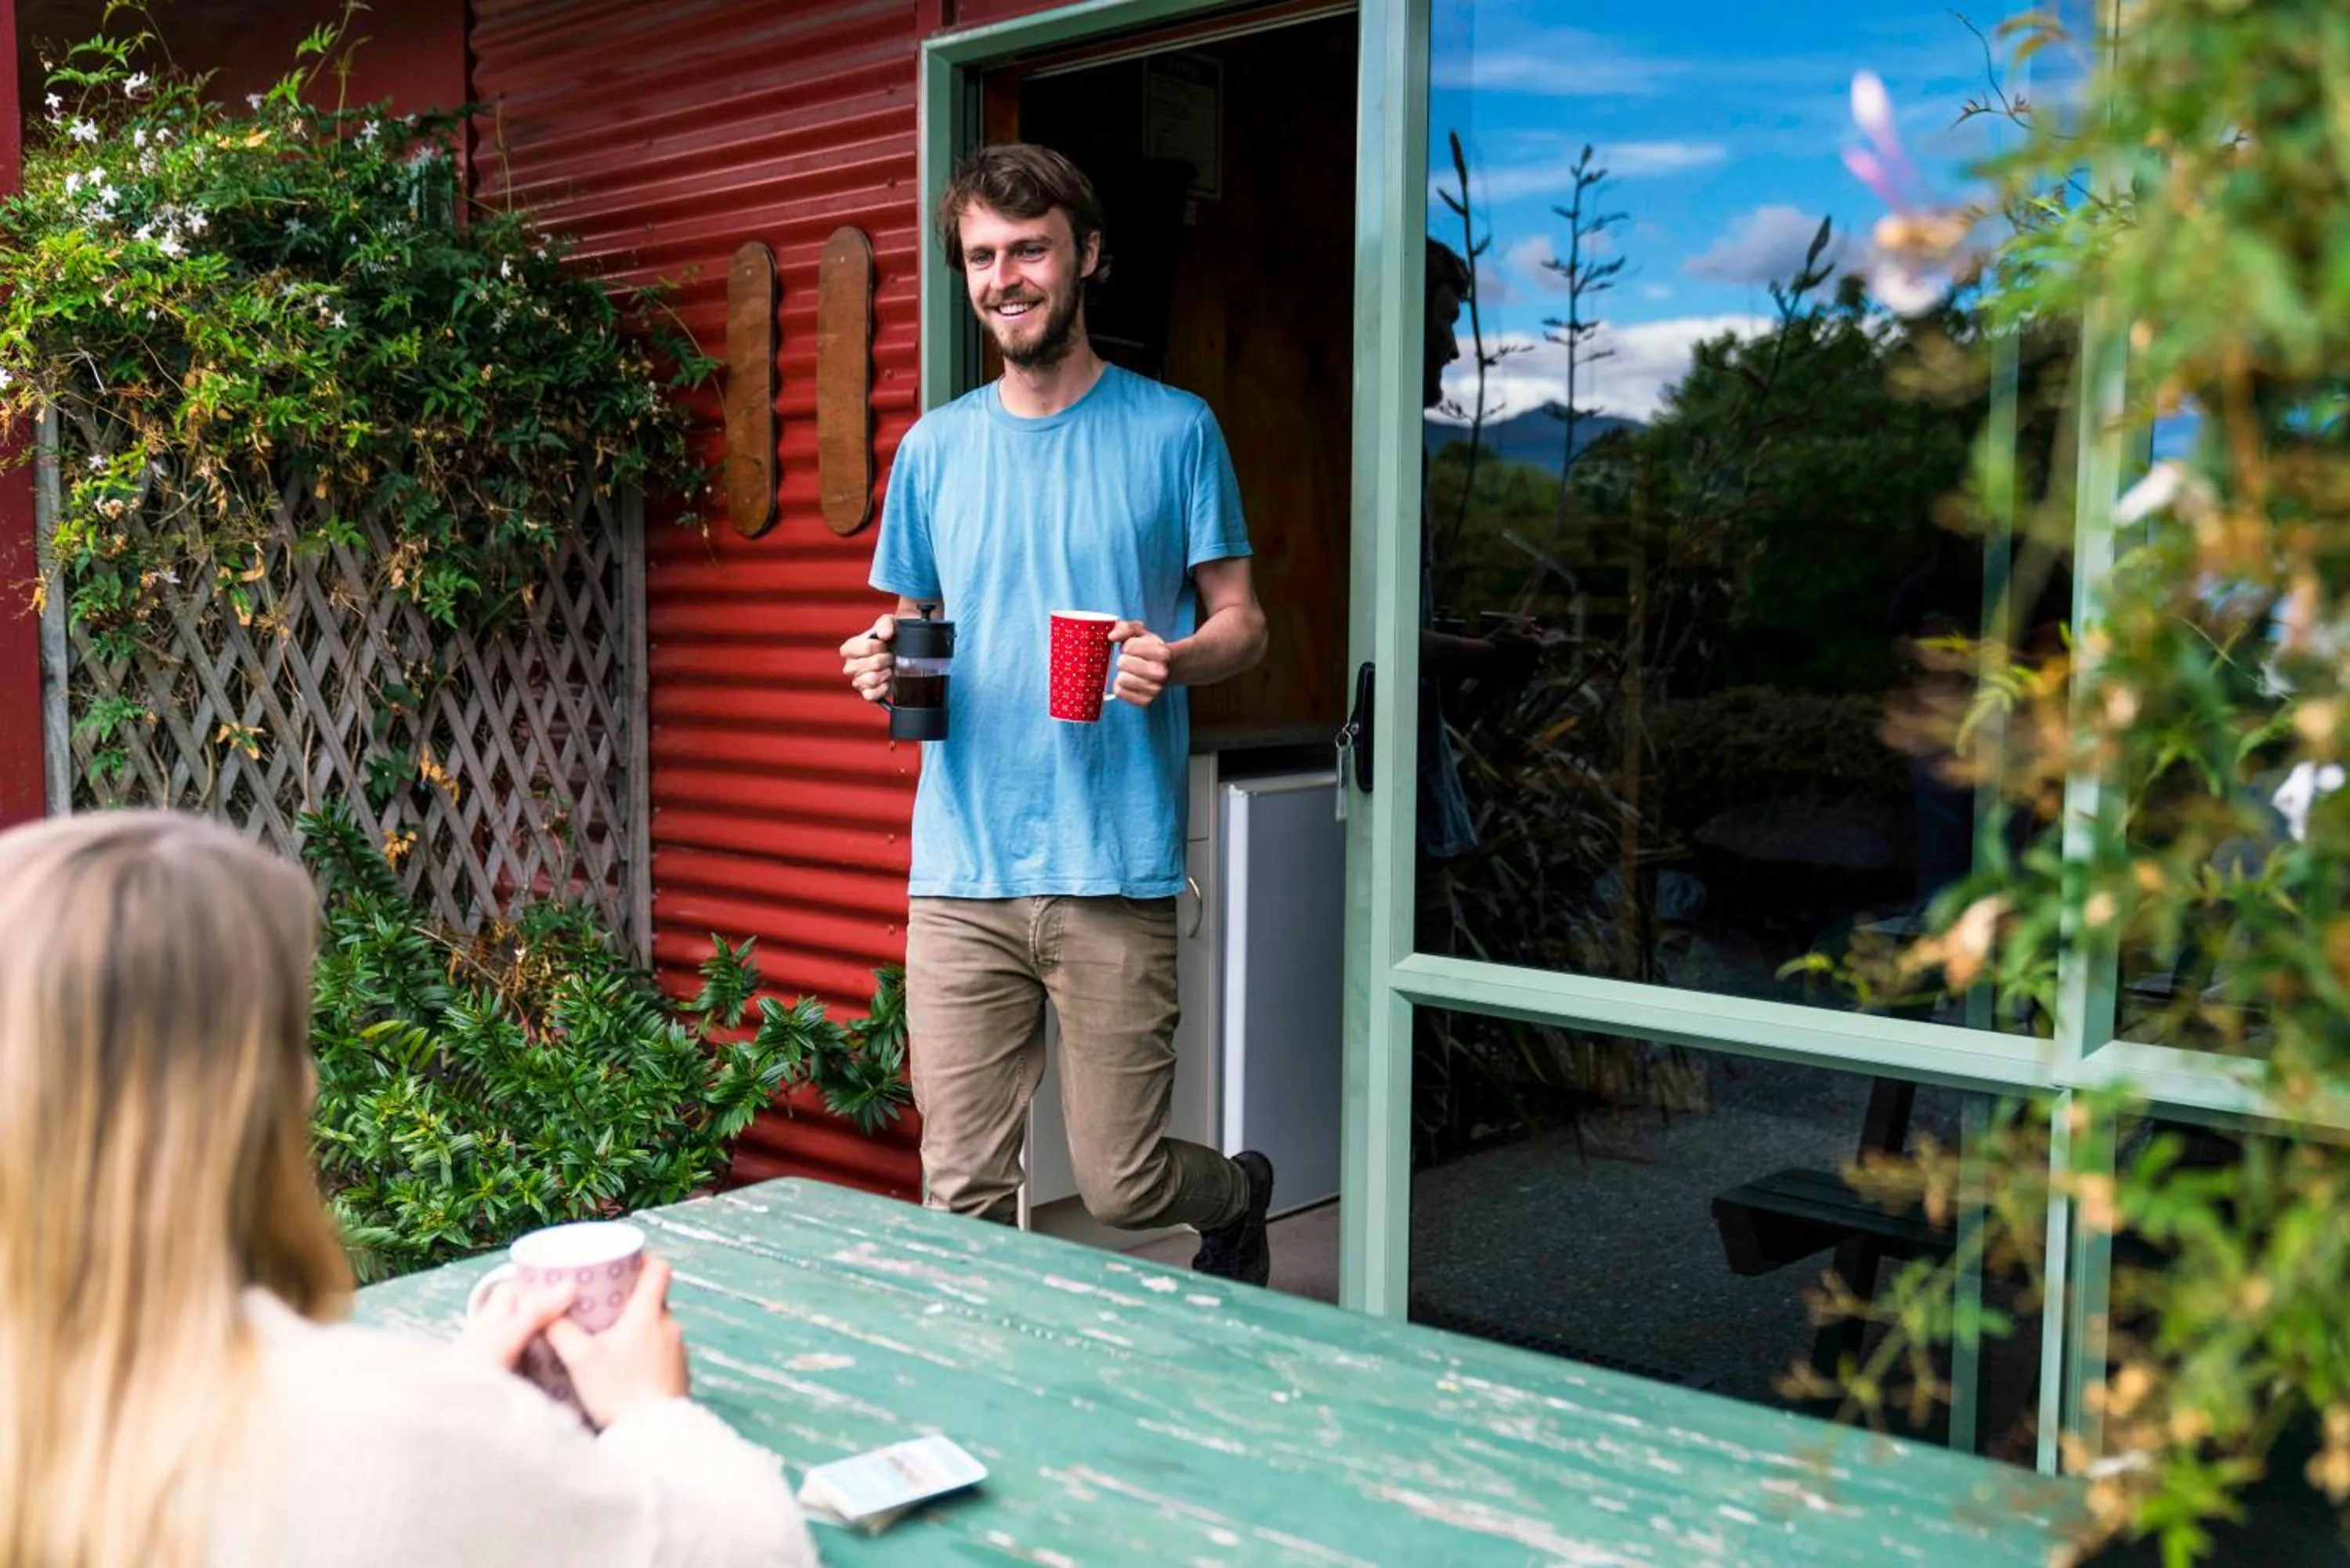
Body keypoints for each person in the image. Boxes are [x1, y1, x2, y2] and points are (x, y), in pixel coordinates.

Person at [0, 811, 815, 1568]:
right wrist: (650, 1411)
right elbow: (755, 1548)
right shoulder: (377, 1432)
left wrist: (462, 1392)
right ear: (265, 1096)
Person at [838, 143, 1275, 1283]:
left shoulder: (1175, 430)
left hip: (1111, 867)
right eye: (982, 256)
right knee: (963, 1188)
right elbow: (912, 619)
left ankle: (1238, 1192)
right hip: (962, 873)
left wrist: (1170, 661)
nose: (1005, 277)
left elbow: (1244, 621)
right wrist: (886, 662)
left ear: (1086, 256)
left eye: (1028, 249)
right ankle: (989, 1405)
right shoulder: (934, 449)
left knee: (1124, 1182)